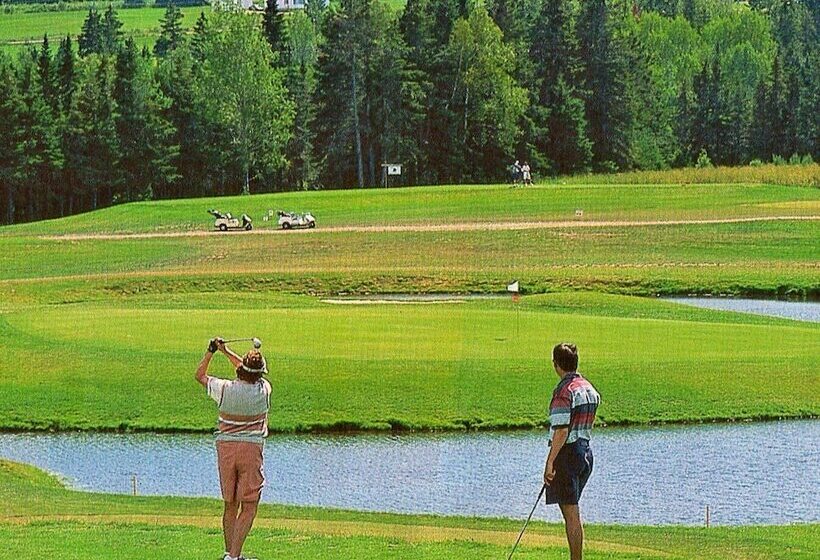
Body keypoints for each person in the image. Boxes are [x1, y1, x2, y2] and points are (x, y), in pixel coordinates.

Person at [196, 337, 272, 560]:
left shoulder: (224, 389)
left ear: (241, 370)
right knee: (249, 505)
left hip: (226, 448)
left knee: (230, 503)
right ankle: (233, 557)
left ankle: (231, 555)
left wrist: (213, 351)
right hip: (251, 450)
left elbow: (199, 375)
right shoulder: (264, 390)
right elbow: (248, 370)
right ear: (260, 374)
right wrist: (228, 352)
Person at [543, 343, 601, 560]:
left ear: (557, 364)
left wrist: (550, 462)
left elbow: (561, 430)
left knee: (571, 514)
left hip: (568, 454)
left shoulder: (563, 391)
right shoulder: (588, 388)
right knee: (573, 510)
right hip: (585, 452)